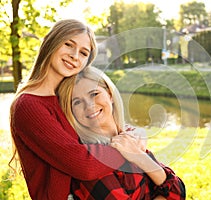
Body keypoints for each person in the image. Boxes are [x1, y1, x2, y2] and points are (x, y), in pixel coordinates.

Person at [9, 19, 129, 200]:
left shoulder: (69, 100)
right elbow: (84, 165)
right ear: (51, 42)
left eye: (83, 53)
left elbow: (96, 138)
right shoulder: (28, 105)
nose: (75, 56)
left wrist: (128, 137)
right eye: (68, 44)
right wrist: (127, 149)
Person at [57, 66, 186, 199]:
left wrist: (139, 156)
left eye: (94, 94)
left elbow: (177, 190)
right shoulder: (90, 160)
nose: (89, 105)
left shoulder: (129, 139)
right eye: (77, 102)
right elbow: (170, 191)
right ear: (71, 112)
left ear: (110, 95)